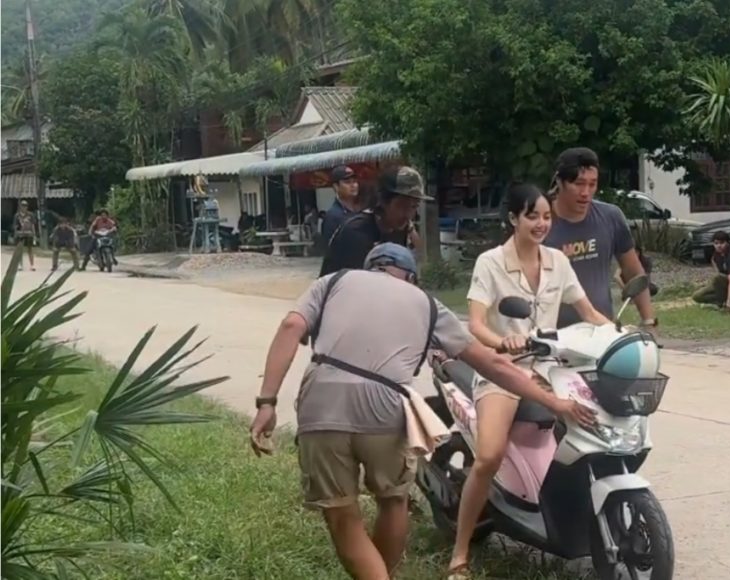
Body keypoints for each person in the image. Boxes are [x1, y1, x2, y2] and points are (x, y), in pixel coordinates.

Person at [248, 243, 594, 580]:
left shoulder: (333, 281)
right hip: (385, 406)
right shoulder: (426, 303)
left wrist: (267, 402)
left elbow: (291, 327)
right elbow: (493, 364)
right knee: (393, 500)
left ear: (370, 268)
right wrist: (555, 402)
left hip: (322, 403)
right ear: (411, 277)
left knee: (342, 515)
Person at [448, 184, 612, 577]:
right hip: (503, 370)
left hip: (551, 369)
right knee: (488, 456)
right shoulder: (490, 262)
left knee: (597, 432)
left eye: (546, 216)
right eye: (532, 216)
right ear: (513, 218)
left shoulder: (558, 261)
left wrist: (621, 336)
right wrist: (502, 341)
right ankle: (459, 553)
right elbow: (476, 324)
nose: (541, 223)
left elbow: (589, 312)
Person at [543, 147, 657, 330]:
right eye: (579, 183)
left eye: (592, 184)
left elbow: (634, 272)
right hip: (552, 336)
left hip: (602, 331)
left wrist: (648, 321)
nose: (585, 192)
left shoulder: (611, 217)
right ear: (559, 181)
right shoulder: (540, 224)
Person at [319, 166, 430, 277]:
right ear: (383, 201)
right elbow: (354, 283)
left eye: (414, 206)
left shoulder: (399, 227)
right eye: (402, 205)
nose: (408, 214)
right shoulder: (356, 233)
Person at [691, 231, 730, 311]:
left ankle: (725, 303)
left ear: (727, 243)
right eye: (716, 243)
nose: (719, 246)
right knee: (697, 296)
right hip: (723, 283)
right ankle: (719, 302)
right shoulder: (716, 255)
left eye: (722, 243)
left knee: (717, 278)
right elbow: (717, 270)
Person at [320, 165, 364, 245]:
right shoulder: (333, 217)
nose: (353, 185)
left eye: (354, 181)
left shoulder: (362, 210)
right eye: (347, 182)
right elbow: (330, 247)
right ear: (336, 187)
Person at [12, 200, 37, 270]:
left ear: (27, 207)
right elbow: (15, 226)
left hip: (29, 233)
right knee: (19, 250)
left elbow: (33, 225)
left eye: (25, 206)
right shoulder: (17, 215)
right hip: (20, 234)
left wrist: (34, 234)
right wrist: (16, 233)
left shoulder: (30, 215)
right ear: (20, 207)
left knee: (30, 249)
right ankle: (20, 264)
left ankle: (32, 265)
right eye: (23, 206)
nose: (24, 207)